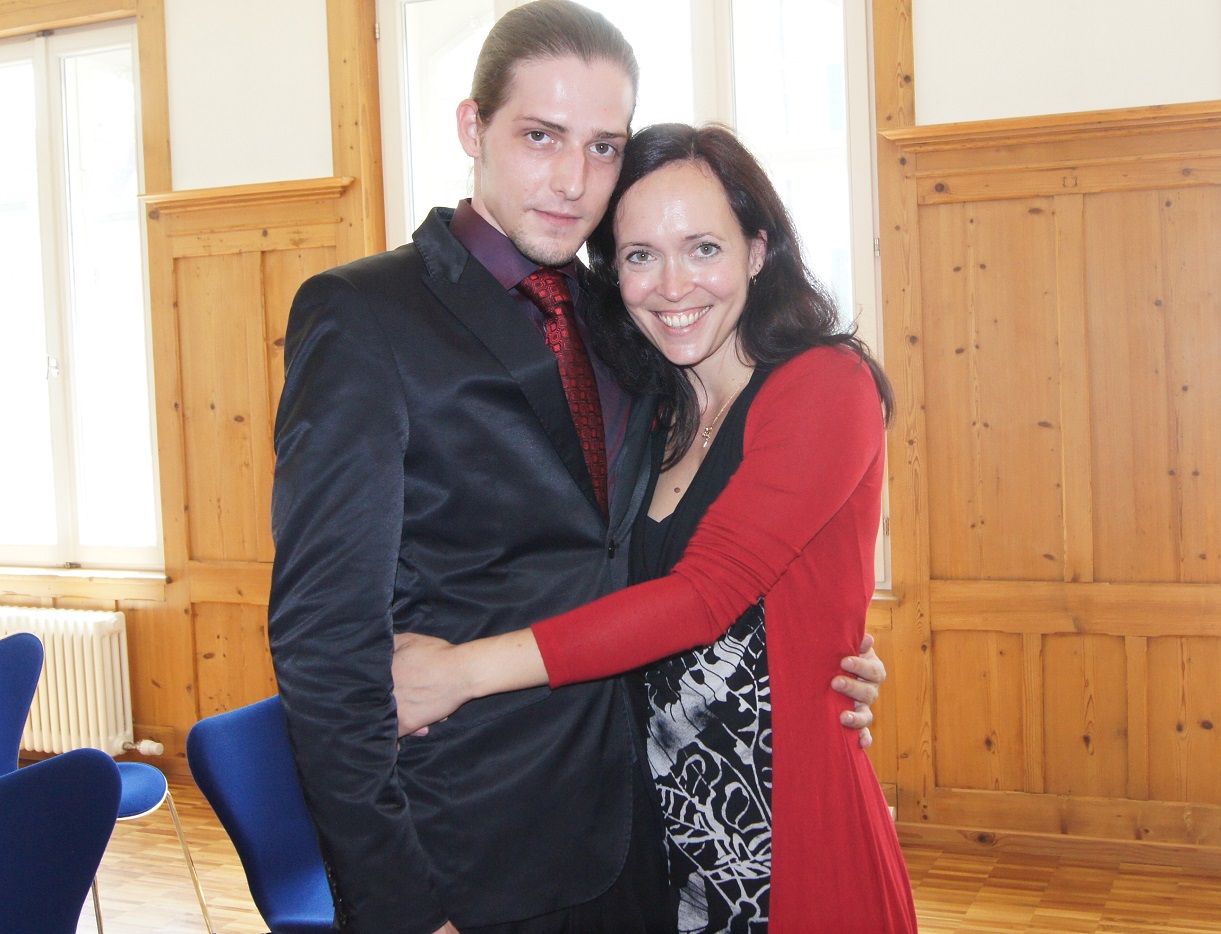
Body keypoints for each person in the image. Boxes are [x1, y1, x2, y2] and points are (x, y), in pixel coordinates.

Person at [268, 3, 885, 933]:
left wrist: (827, 645)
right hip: (467, 849)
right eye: (540, 136)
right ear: (473, 128)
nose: (571, 180)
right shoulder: (364, 314)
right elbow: (324, 643)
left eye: (603, 147)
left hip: (644, 835)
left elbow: (692, 564)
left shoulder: (626, 319)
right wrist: (397, 909)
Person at [392, 122, 918, 933]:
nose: (672, 286)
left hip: (778, 837)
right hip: (644, 839)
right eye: (640, 255)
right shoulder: (648, 409)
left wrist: (458, 672)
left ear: (756, 250)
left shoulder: (824, 384)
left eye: (702, 248)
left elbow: (703, 596)